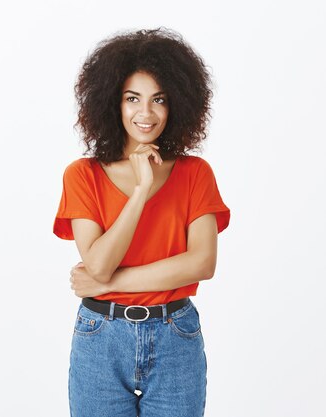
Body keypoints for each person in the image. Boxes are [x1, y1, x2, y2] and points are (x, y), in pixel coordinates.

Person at [53, 27, 231, 417]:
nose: (145, 113)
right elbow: (97, 262)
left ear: (177, 104)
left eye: (159, 100)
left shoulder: (194, 173)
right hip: (100, 338)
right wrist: (140, 191)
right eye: (132, 98)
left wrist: (109, 283)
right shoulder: (81, 175)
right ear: (111, 102)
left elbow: (202, 264)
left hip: (175, 336)